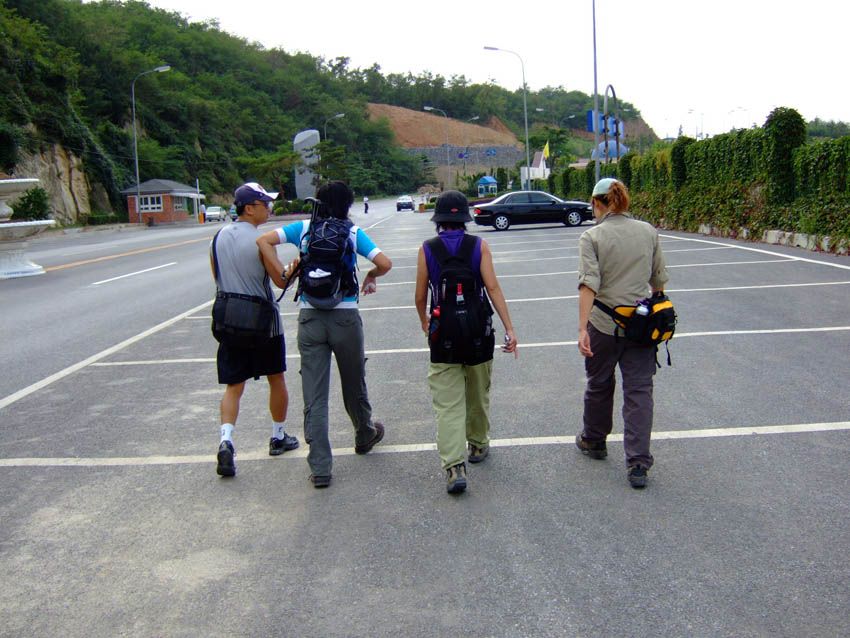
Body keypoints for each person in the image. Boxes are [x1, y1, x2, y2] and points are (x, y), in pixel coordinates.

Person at [257, 180, 391, 488]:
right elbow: (384, 263)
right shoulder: (351, 232)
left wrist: (283, 275)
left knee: (314, 395)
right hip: (345, 318)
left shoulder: (303, 229)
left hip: (311, 318)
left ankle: (320, 467)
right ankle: (364, 434)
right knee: (353, 383)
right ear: (347, 205)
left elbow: (263, 241)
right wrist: (371, 275)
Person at [414, 190, 517, 494]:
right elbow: (493, 288)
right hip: (478, 332)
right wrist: (510, 328)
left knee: (448, 404)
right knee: (478, 391)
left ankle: (454, 466)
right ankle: (479, 444)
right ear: (464, 219)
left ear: (438, 220)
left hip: (443, 334)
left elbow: (420, 295)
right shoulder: (479, 246)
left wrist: (425, 322)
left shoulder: (427, 249)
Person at [575, 178, 669, 488]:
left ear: (597, 203)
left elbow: (589, 284)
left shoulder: (592, 236)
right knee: (639, 391)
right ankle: (638, 462)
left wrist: (582, 328)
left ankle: (594, 440)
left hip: (604, 324)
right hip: (642, 326)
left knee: (600, 383)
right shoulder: (648, 231)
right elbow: (658, 281)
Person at [212, 182, 299, 478]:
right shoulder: (263, 240)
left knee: (234, 385)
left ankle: (226, 440)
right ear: (249, 208)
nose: (269, 208)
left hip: (229, 319)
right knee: (276, 377)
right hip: (264, 322)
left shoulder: (218, 237)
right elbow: (280, 280)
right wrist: (294, 269)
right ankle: (278, 436)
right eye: (265, 204)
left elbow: (217, 277)